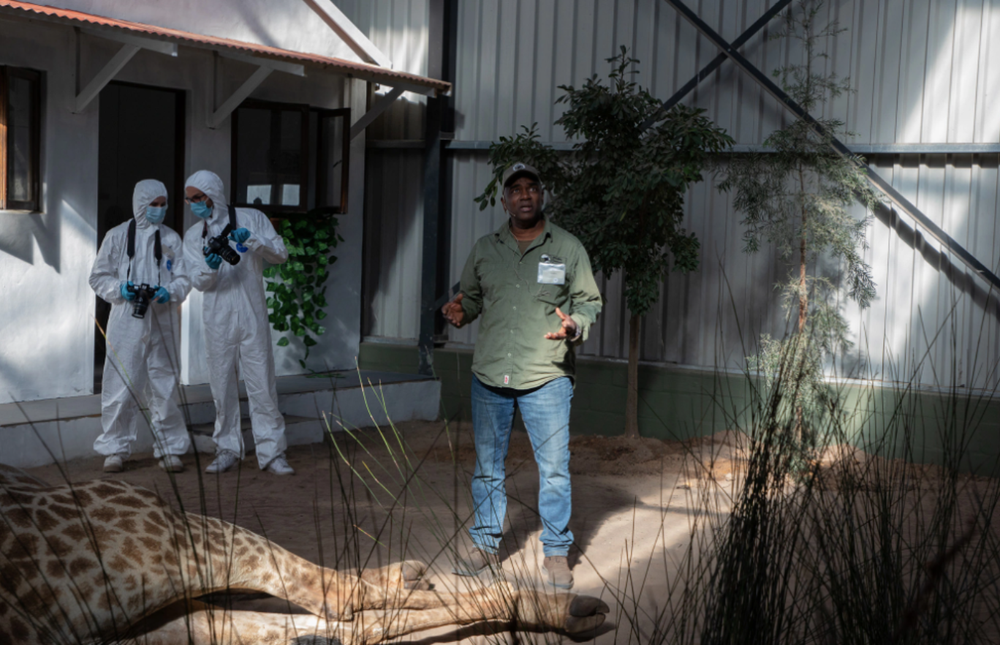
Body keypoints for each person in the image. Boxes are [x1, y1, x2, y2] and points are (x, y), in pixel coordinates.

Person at [442, 162, 603, 589]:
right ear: (504, 201)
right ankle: (485, 545)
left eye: (532, 187)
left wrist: (576, 324)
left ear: (542, 195)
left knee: (554, 469)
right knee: (487, 467)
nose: (525, 194)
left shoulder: (567, 247)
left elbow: (589, 302)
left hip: (546, 374)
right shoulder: (484, 249)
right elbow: (470, 299)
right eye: (516, 189)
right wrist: (459, 311)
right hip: (491, 375)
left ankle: (556, 553)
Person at [181, 170, 294, 476]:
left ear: (213, 194)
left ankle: (272, 453)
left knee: (262, 385)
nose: (194, 204)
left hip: (252, 314)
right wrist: (210, 267)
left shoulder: (251, 218)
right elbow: (198, 282)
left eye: (198, 198)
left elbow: (280, 254)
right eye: (189, 200)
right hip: (217, 319)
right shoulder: (194, 236)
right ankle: (227, 449)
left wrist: (253, 240)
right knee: (222, 386)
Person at [90, 179, 192, 473]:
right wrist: (120, 290)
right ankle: (115, 449)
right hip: (126, 319)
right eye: (153, 204)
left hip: (163, 318)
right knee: (120, 382)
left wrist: (169, 292)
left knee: (164, 383)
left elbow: (184, 278)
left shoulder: (171, 239)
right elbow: (98, 277)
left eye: (163, 204)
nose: (159, 209)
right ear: (140, 204)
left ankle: (169, 449)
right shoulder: (117, 236)